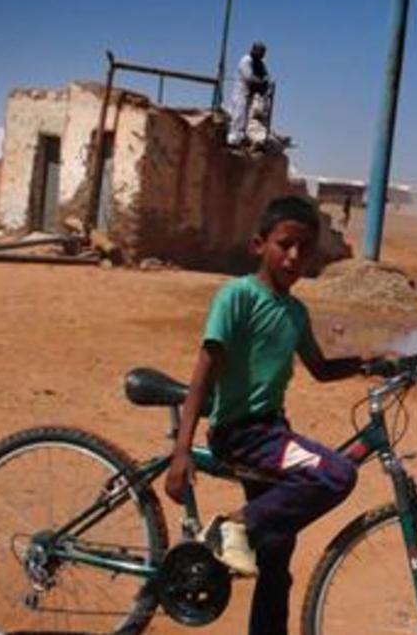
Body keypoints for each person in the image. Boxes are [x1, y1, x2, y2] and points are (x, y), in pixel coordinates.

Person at [165, 195, 380, 635]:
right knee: (337, 473)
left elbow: (319, 369)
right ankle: (230, 528)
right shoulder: (237, 297)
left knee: (277, 554)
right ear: (258, 245)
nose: (294, 257)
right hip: (240, 433)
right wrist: (181, 450)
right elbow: (204, 374)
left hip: (271, 432)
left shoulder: (295, 312)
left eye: (304, 249)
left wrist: (368, 363)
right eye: (285, 244)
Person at [228, 41, 271, 145]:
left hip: (250, 93)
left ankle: (242, 138)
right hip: (241, 91)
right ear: (253, 50)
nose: (261, 55)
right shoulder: (245, 61)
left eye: (262, 53)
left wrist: (264, 81)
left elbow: (266, 76)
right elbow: (249, 78)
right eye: (259, 52)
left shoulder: (260, 63)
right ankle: (232, 140)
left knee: (247, 117)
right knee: (238, 115)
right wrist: (261, 82)